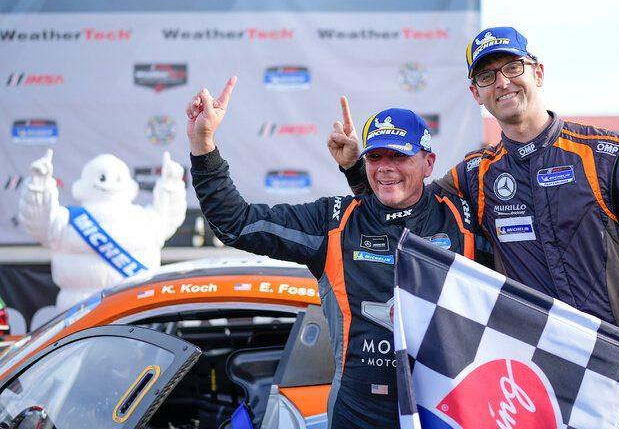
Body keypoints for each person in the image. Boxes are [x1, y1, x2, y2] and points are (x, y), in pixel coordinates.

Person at [331, 26, 619, 428]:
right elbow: (407, 205)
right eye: (486, 76)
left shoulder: (608, 153)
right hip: (533, 387)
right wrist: (358, 169)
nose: (502, 82)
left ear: (539, 72)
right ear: (475, 93)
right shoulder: (474, 175)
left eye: (513, 67)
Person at [185, 77, 489, 429]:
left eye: (399, 156)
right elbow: (235, 223)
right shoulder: (335, 221)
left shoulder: (462, 219)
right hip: (359, 414)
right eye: (375, 156)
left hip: (446, 412)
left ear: (428, 163)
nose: (385, 166)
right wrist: (202, 143)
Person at [19, 149, 186, 311]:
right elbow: (38, 222)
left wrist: (171, 184)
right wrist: (39, 186)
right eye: (102, 177)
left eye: (116, 178)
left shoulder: (145, 220)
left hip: (129, 314)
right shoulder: (67, 219)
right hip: (82, 315)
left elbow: (169, 216)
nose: (108, 183)